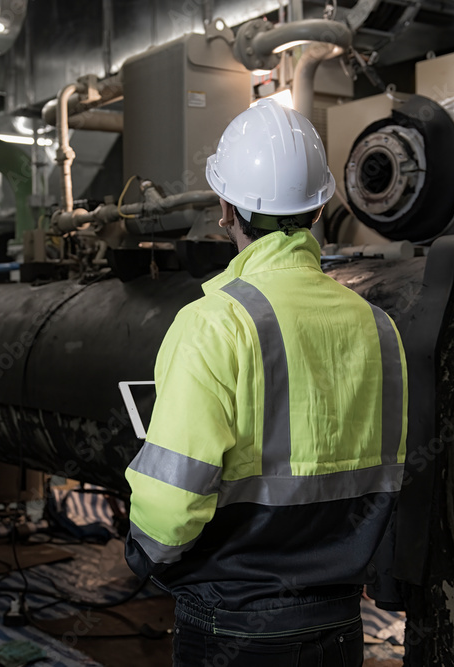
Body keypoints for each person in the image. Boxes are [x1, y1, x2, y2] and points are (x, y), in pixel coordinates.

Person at [124, 98, 408, 667]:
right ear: (320, 204)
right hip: (337, 623)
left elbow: (172, 504)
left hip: (233, 623)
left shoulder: (214, 325)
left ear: (226, 209)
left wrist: (144, 555)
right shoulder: (378, 327)